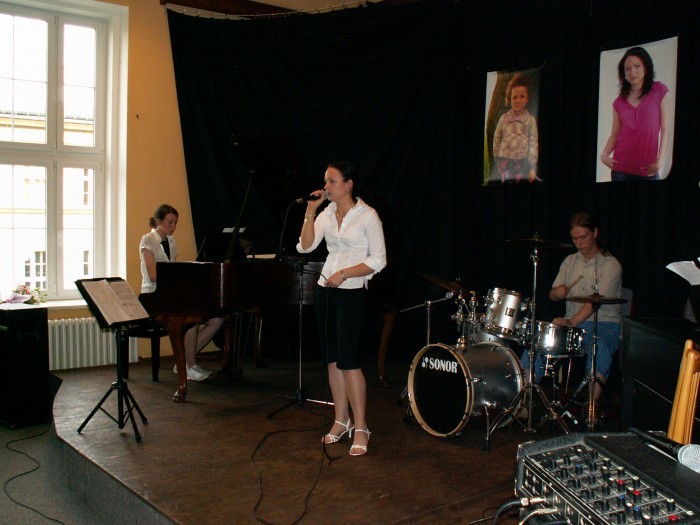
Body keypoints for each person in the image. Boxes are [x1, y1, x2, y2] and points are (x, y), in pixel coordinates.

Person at [297, 161, 387, 456]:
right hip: (325, 290)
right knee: (332, 360)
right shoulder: (326, 213)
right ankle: (341, 419)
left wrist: (346, 273)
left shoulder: (368, 215)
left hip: (352, 292)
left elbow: (378, 259)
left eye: (332, 181)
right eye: (325, 181)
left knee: (349, 360)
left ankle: (361, 426)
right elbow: (306, 246)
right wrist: (311, 211)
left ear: (349, 184)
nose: (326, 186)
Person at [521, 212, 622, 406]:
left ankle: (591, 405)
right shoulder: (569, 261)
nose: (579, 243)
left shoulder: (611, 265)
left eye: (583, 237)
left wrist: (571, 322)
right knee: (537, 339)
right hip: (573, 326)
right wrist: (556, 293)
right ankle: (524, 397)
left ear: (595, 233)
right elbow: (551, 295)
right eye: (574, 239)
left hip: (605, 324)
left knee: (598, 344)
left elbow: (593, 303)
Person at [139, 204, 223, 382]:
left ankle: (182, 361)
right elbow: (153, 275)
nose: (173, 226)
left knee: (217, 319)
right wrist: (179, 277)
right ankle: (190, 367)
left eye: (175, 223)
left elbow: (172, 271)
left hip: (169, 294)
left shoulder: (171, 241)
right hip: (153, 296)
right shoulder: (148, 240)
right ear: (158, 221)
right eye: (170, 222)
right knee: (191, 319)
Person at [601, 46, 671, 181]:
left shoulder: (659, 91)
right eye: (627, 69)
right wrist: (604, 155)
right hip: (620, 171)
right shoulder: (618, 102)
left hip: (647, 171)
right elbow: (615, 134)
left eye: (637, 66)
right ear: (624, 74)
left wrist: (660, 162)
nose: (632, 72)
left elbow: (666, 130)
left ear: (646, 68)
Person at [492, 73, 539, 184]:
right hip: (504, 162)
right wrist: (497, 159)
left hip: (522, 163)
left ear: (527, 99)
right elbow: (497, 138)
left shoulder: (530, 120)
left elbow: (533, 143)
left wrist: (532, 167)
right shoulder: (504, 118)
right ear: (510, 99)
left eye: (522, 96)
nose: (518, 100)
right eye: (514, 97)